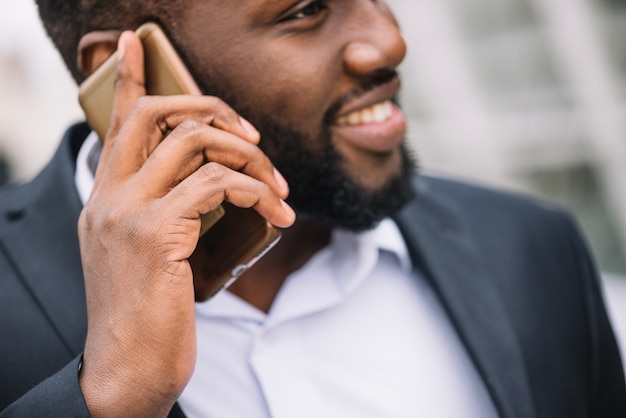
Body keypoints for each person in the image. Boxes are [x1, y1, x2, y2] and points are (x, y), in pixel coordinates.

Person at [1, 0, 625, 416]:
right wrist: (110, 396)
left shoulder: (533, 245)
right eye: (305, 11)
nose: (388, 41)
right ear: (125, 67)